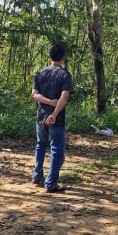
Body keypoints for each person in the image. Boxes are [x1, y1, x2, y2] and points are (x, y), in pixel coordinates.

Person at [30, 44, 73, 193]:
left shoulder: (40, 74)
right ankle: (51, 183)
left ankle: (37, 176)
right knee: (56, 149)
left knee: (40, 144)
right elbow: (64, 96)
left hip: (41, 116)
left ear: (49, 57)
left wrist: (47, 102)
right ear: (63, 58)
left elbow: (34, 94)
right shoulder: (65, 75)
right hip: (57, 118)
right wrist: (54, 113)